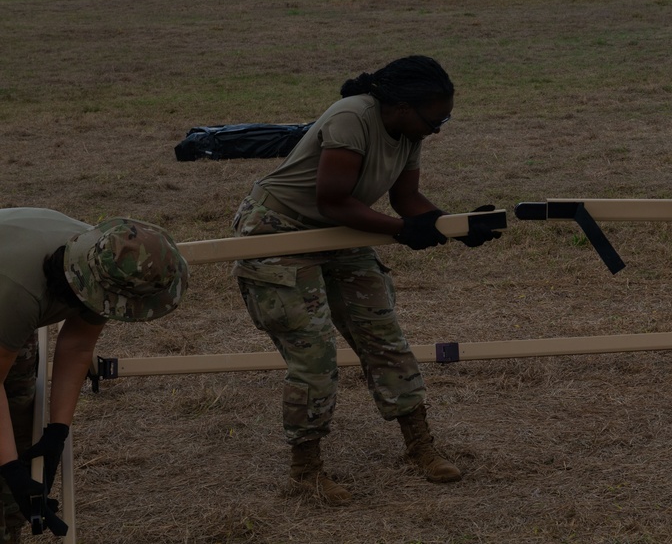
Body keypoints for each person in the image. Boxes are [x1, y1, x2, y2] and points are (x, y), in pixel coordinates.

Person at [232, 55, 499, 506]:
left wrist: (453, 227)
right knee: (313, 354)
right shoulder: (352, 117)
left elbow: (407, 197)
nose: (438, 128)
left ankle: (421, 446)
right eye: (435, 118)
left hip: (343, 230)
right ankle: (306, 470)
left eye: (444, 118)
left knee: (383, 336)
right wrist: (400, 230)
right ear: (399, 106)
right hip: (279, 230)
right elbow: (333, 199)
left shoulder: (409, 130)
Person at [0, 208, 189, 541]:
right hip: (9, 290)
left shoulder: (103, 264)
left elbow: (75, 347)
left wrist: (57, 431)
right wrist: (11, 469)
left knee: (16, 419)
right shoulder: (19, 292)